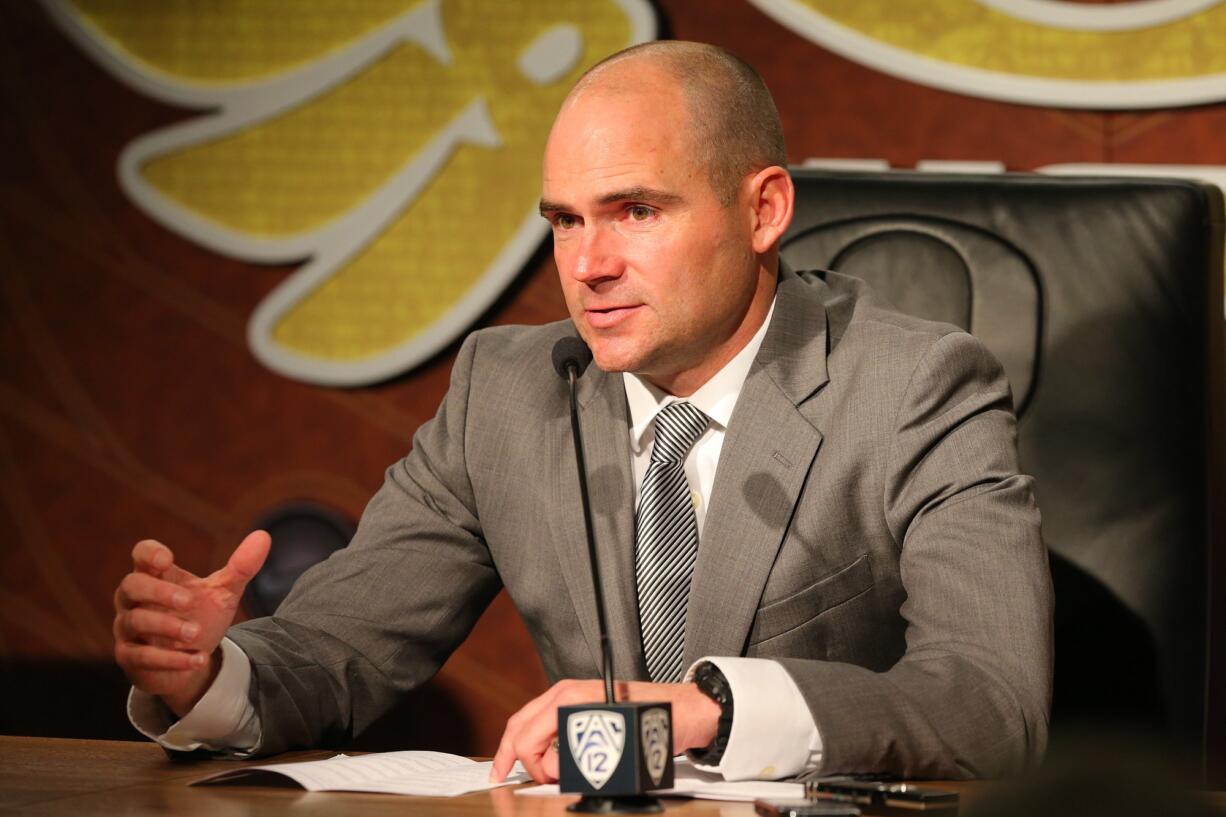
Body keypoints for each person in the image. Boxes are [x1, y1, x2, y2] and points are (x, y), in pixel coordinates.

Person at [112, 41, 1053, 782]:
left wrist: (715, 710)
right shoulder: (508, 390)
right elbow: (338, 648)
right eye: (564, 220)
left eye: (635, 211)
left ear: (763, 211)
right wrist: (210, 674)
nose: (588, 264)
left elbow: (991, 704)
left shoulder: (917, 387)